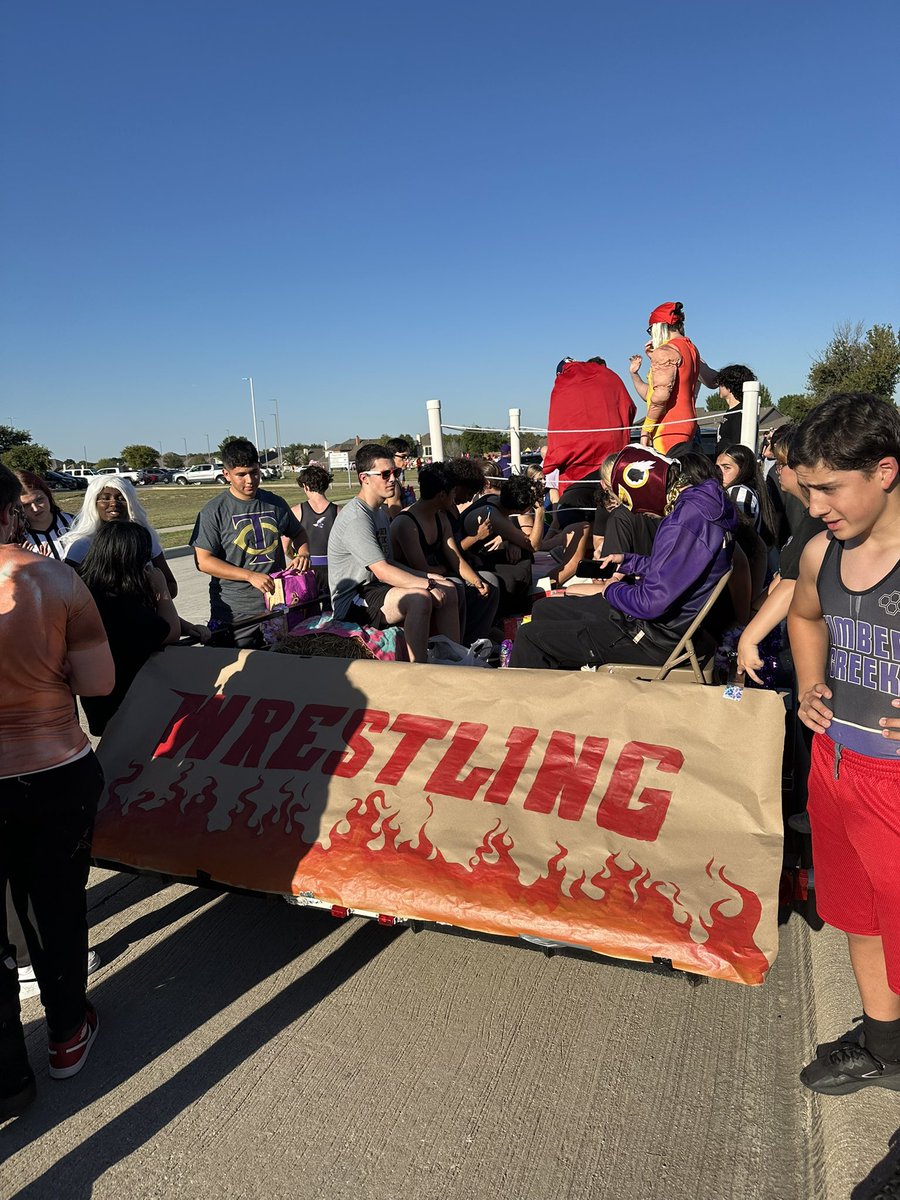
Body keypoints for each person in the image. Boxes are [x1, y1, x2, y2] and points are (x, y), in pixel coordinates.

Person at [787, 393, 900, 1097]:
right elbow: (805, 617)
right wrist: (807, 685)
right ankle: (886, 1047)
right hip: (833, 766)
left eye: (829, 488)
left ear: (885, 470)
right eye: (807, 490)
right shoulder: (822, 550)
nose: (816, 505)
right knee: (856, 914)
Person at [0, 464, 115, 1120]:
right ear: (10, 513)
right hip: (52, 769)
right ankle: (67, 1034)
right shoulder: (54, 578)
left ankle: (7, 1078)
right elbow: (97, 683)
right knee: (58, 907)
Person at [510, 449, 736, 670]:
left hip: (652, 639)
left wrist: (612, 589)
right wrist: (628, 561)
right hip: (660, 626)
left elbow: (651, 603)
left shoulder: (683, 522)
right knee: (544, 609)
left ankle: (536, 704)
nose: (639, 513)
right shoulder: (702, 506)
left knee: (530, 637)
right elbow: (675, 569)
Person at [327, 443, 460, 661]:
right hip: (352, 599)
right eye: (385, 474)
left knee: (450, 588)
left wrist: (428, 577)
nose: (392, 479)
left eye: (395, 472)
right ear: (364, 478)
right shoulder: (357, 518)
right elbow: (382, 571)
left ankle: (453, 660)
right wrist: (426, 584)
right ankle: (417, 669)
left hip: (375, 588)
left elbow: (388, 562)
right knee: (419, 598)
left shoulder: (379, 513)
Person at [79, 522, 209, 735]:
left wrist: (188, 626)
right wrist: (162, 589)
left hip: (100, 696)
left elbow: (153, 619)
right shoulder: (119, 604)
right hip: (127, 701)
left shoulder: (94, 588)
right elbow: (168, 631)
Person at [191, 439, 310, 647]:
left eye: (254, 472)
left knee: (279, 666)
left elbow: (298, 532)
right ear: (226, 474)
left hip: (277, 603)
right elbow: (203, 561)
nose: (250, 480)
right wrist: (249, 576)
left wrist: (303, 553)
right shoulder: (214, 511)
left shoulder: (275, 503)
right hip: (235, 611)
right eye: (241, 474)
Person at [391, 462, 499, 642]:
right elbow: (422, 568)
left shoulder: (440, 518)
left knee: (490, 583)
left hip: (437, 573)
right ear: (442, 495)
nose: (456, 498)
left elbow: (455, 557)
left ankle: (474, 641)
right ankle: (455, 647)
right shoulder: (407, 523)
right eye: (452, 493)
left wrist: (477, 581)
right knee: (455, 585)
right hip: (414, 579)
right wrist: (446, 568)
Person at [543, 356, 635, 530]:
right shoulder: (610, 376)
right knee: (612, 513)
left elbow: (558, 425)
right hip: (612, 462)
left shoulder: (566, 383)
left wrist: (552, 459)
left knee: (574, 520)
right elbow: (628, 408)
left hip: (577, 469)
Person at [61, 475, 178, 598]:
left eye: (121, 498)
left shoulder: (145, 538)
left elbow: (171, 585)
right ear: (93, 503)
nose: (113, 503)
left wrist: (151, 595)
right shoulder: (82, 544)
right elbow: (68, 592)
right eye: (105, 499)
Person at [628, 301, 719, 453]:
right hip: (688, 421)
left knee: (669, 472)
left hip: (668, 426)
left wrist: (647, 428)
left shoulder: (665, 351)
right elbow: (711, 380)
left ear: (658, 327)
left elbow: (660, 396)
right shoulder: (691, 348)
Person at [292, 463, 338, 607]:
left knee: (308, 613)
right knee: (333, 611)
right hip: (334, 569)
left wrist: (297, 557)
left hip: (308, 569)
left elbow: (284, 546)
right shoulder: (339, 511)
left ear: (305, 487)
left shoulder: (296, 511)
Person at [15, 470, 75, 559]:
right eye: (26, 505)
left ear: (47, 494)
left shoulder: (74, 522)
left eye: (39, 500)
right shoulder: (16, 537)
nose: (35, 509)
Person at [713, 365, 757, 458]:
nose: (719, 387)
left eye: (721, 383)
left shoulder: (741, 414)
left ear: (730, 387)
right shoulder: (731, 412)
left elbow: (737, 448)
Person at [383, 437, 416, 517]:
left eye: (408, 457)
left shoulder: (395, 480)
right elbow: (397, 517)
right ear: (391, 456)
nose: (407, 461)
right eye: (403, 457)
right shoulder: (392, 484)